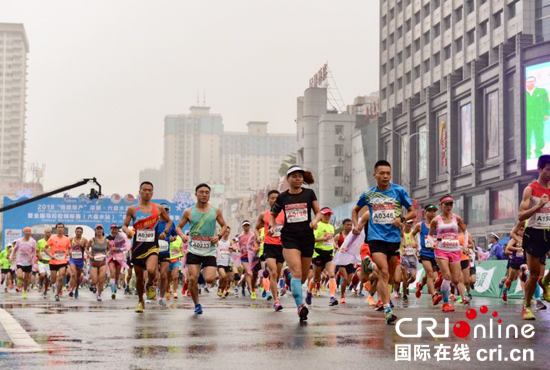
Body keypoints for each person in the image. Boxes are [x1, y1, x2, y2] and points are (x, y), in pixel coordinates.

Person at [351, 160, 416, 324]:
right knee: (384, 272)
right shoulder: (369, 194)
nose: (385, 176)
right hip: (376, 238)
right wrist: (356, 226)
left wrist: (401, 218)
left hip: (394, 239)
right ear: (375, 175)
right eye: (382, 173)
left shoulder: (399, 191)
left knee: (392, 278)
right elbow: (355, 209)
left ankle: (370, 267)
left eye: (388, 173)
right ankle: (387, 309)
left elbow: (412, 212)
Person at [270, 165, 321, 321]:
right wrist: (272, 225)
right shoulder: (282, 197)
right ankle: (300, 306)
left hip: (307, 237)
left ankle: (288, 275)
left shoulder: (309, 193)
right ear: (288, 179)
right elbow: (273, 213)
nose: (298, 178)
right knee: (297, 273)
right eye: (294, 176)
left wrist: (315, 221)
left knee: (303, 277)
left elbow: (318, 212)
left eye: (300, 176)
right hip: (289, 238)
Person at [176, 183, 228, 314]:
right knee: (192, 279)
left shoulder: (215, 211)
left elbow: (224, 225)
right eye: (201, 192)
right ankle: (197, 304)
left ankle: (205, 274)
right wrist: (182, 236)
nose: (204, 195)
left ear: (209, 195)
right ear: (196, 194)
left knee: (209, 279)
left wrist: (219, 236)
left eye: (207, 192)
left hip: (209, 250)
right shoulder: (189, 211)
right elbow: (178, 227)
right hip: (193, 249)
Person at [123, 181, 172, 313]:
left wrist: (165, 232)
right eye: (144, 190)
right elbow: (124, 225)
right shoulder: (133, 209)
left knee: (151, 271)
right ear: (139, 191)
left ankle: (150, 284)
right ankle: (140, 300)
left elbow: (169, 222)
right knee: (139, 278)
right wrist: (127, 231)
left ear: (152, 192)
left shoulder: (158, 208)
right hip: (138, 247)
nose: (147, 192)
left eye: (150, 190)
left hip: (152, 246)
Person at [518, 155, 550, 320]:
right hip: (534, 233)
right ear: (539, 169)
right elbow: (521, 216)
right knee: (534, 274)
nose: (549, 173)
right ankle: (527, 305)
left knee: (540, 276)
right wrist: (539, 206)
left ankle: (545, 283)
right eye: (547, 170)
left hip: (548, 231)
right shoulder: (530, 189)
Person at [429, 195, 469, 312]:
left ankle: (441, 278)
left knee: (456, 280)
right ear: (441, 205)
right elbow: (430, 236)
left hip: (455, 250)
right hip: (441, 250)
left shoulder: (457, 218)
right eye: (446, 204)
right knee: (447, 276)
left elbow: (465, 232)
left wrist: (465, 245)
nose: (449, 206)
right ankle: (445, 303)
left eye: (451, 204)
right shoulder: (436, 220)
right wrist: (433, 243)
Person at [255, 190, 286, 311]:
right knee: (273, 272)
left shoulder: (285, 214)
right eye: (272, 198)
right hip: (269, 245)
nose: (274, 200)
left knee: (277, 274)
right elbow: (257, 228)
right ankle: (276, 301)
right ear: (267, 200)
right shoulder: (264, 215)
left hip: (282, 246)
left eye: (276, 198)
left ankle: (273, 288)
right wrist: (258, 236)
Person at [307, 207, 338, 306]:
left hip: (329, 254)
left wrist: (335, 245)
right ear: (321, 215)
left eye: (329, 214)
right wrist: (324, 238)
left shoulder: (331, 227)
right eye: (326, 214)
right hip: (318, 253)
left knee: (332, 274)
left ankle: (332, 298)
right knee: (316, 278)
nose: (328, 216)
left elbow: (331, 239)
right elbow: (312, 240)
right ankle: (309, 292)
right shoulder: (317, 225)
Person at [412, 204, 441, 305]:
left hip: (437, 253)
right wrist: (414, 244)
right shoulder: (420, 225)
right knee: (430, 273)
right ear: (425, 212)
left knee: (435, 277)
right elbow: (412, 235)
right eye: (430, 211)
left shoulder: (439, 225)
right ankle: (434, 295)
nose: (432, 214)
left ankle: (420, 284)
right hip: (425, 252)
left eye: (434, 211)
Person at [525, 76, 550, 160]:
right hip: (527, 120)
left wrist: (547, 114)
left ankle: (538, 152)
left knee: (539, 136)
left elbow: (546, 104)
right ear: (525, 83)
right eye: (528, 82)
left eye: (532, 81)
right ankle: (527, 153)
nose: (530, 83)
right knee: (527, 137)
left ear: (535, 82)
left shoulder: (542, 92)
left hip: (538, 118)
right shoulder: (523, 94)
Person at [9, 227, 37, 299]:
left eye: (29, 231)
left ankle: (24, 292)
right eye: (26, 231)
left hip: (28, 262)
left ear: (30, 233)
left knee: (26, 279)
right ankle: (19, 283)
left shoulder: (33, 241)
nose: (28, 232)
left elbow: (34, 251)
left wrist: (33, 258)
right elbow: (15, 249)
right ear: (24, 232)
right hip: (20, 261)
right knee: (20, 276)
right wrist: (11, 257)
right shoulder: (19, 241)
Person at [46, 223, 71, 302]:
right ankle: (53, 283)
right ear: (56, 229)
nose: (60, 229)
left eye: (61, 227)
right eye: (58, 227)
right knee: (53, 280)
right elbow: (45, 248)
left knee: (61, 277)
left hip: (63, 261)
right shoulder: (52, 238)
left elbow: (69, 248)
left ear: (63, 229)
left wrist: (67, 252)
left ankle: (57, 293)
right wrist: (50, 255)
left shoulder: (67, 239)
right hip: (53, 261)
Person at [106, 224, 129, 300]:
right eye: (112, 229)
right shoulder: (107, 238)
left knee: (117, 275)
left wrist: (118, 249)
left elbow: (125, 247)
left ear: (117, 229)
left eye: (115, 229)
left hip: (119, 258)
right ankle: (113, 292)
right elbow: (105, 248)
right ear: (110, 229)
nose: (114, 230)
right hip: (111, 258)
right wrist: (108, 251)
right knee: (112, 273)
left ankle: (115, 284)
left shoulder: (121, 238)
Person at [238, 220, 259, 300]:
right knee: (249, 272)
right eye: (245, 225)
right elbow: (239, 246)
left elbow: (256, 244)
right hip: (244, 257)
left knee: (253, 274)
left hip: (252, 257)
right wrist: (237, 249)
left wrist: (256, 248)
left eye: (248, 225)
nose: (246, 227)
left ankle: (243, 282)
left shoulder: (253, 235)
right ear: (242, 226)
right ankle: (251, 290)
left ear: (249, 226)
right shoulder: (240, 236)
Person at [87, 225, 109, 301]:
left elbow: (109, 249)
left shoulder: (106, 240)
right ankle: (91, 283)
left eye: (100, 229)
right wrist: (89, 255)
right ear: (95, 231)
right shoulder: (92, 240)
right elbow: (86, 249)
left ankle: (99, 295)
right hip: (93, 263)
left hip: (102, 262)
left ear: (103, 230)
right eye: (97, 229)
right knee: (95, 281)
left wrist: (108, 253)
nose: (99, 230)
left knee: (101, 280)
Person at [399, 220, 418, 301]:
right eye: (408, 223)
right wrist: (403, 248)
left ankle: (406, 285)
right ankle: (404, 295)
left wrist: (415, 246)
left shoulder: (413, 233)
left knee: (413, 277)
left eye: (411, 223)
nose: (410, 224)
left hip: (412, 257)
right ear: (405, 223)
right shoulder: (401, 233)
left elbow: (416, 243)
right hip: (404, 256)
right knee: (405, 277)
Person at [68, 227, 87, 299]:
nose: (79, 233)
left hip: (80, 260)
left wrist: (83, 247)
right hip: (72, 259)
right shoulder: (71, 239)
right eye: (77, 231)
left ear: (82, 233)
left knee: (78, 277)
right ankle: (72, 289)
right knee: (73, 274)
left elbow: (87, 249)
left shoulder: (84, 240)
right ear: (75, 231)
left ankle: (76, 289)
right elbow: (68, 247)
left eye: (80, 232)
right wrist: (69, 251)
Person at [216, 227, 234, 298]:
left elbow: (234, 247)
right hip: (220, 262)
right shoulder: (218, 241)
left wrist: (232, 248)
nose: (227, 233)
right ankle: (220, 287)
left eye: (228, 232)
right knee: (223, 276)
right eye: (226, 232)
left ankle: (222, 290)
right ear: (222, 231)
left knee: (226, 279)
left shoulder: (230, 241)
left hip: (228, 262)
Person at [168, 234, 185, 300]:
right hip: (167, 261)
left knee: (175, 276)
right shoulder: (166, 237)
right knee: (168, 278)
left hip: (176, 260)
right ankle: (168, 288)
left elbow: (181, 249)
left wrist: (181, 254)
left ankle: (175, 292)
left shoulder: (179, 238)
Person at [36, 228, 52, 297]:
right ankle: (40, 284)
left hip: (49, 262)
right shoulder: (40, 241)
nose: (47, 234)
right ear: (44, 233)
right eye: (46, 232)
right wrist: (39, 256)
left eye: (49, 232)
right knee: (42, 275)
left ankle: (45, 290)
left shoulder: (53, 241)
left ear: (51, 233)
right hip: (41, 262)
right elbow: (37, 250)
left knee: (48, 278)